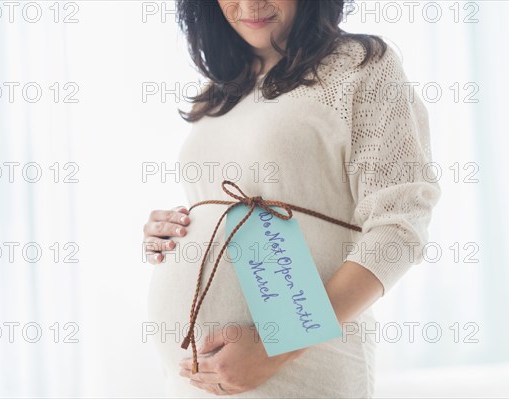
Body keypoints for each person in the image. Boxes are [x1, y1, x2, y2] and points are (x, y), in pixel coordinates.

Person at [143, 0, 441, 397]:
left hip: (299, 369)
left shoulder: (361, 67)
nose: (249, 4)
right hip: (193, 380)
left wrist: (277, 344)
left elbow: (400, 226)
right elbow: (226, 221)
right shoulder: (217, 92)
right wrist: (173, 234)